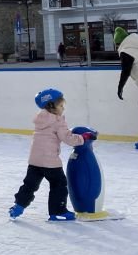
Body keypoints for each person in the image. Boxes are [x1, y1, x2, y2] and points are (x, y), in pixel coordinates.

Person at [8, 89, 86, 221]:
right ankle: (58, 211)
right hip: (50, 162)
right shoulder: (57, 120)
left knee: (29, 185)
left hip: (35, 161)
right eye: (61, 106)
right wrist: (83, 138)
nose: (63, 109)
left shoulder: (40, 119)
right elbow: (67, 138)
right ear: (51, 106)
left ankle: (18, 205)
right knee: (59, 184)